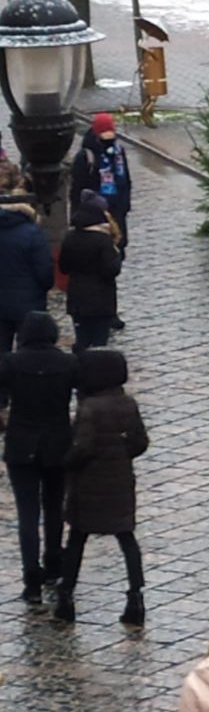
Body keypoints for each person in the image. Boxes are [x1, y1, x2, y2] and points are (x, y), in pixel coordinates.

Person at [55, 349, 149, 626]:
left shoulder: (90, 408)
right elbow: (140, 442)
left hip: (88, 484)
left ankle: (66, 595)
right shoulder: (128, 403)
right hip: (120, 481)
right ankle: (135, 595)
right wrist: (121, 454)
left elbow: (83, 447)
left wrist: (66, 463)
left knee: (77, 539)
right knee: (126, 538)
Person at [0, 312, 77, 602]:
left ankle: (31, 579)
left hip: (22, 444)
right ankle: (54, 563)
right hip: (58, 443)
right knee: (55, 506)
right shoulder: (68, 363)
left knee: (27, 514)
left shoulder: (11, 362)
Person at [0, 169, 53, 397]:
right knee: (27, 349)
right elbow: (44, 271)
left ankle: (1, 395)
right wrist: (43, 289)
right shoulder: (32, 233)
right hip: (27, 303)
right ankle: (23, 392)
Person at [58, 190, 123, 351]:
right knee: (99, 342)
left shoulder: (69, 238)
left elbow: (63, 267)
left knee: (82, 340)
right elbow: (111, 269)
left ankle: (80, 366)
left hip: (77, 298)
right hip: (101, 299)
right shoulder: (103, 240)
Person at [69, 112, 133, 258]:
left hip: (117, 212)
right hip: (95, 215)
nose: (109, 140)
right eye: (105, 136)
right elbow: (76, 190)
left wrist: (125, 205)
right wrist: (77, 217)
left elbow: (126, 180)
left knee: (117, 252)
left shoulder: (119, 152)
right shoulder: (86, 157)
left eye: (112, 135)